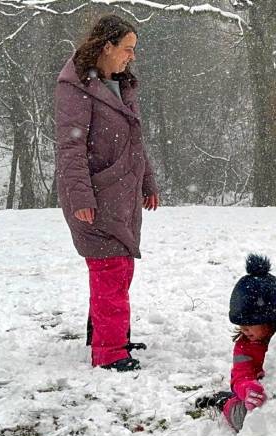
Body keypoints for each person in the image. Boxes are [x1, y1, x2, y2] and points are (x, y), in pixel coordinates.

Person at [55, 14, 159, 371]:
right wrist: (81, 197)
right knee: (109, 271)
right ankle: (109, 352)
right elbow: (70, 149)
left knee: (119, 269)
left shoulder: (122, 84)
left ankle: (106, 334)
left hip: (122, 196)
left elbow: (134, 141)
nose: (131, 56)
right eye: (127, 49)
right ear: (107, 46)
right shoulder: (75, 87)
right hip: (96, 197)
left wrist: (148, 181)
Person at [195, 254, 276, 432]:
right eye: (241, 325)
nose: (244, 330)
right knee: (241, 418)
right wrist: (248, 390)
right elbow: (241, 376)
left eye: (249, 324)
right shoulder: (244, 345)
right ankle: (223, 401)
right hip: (260, 402)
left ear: (269, 320)